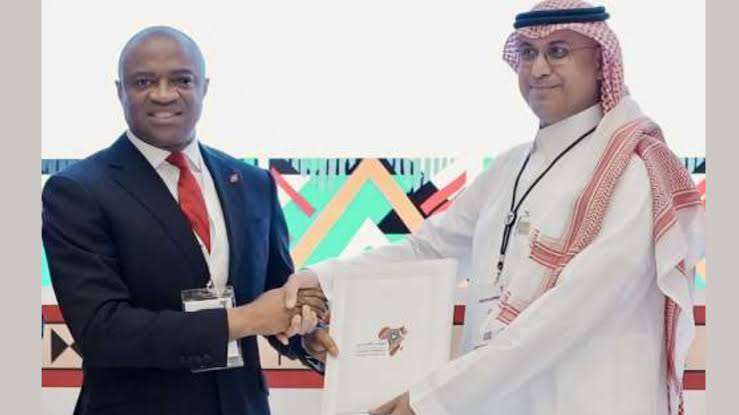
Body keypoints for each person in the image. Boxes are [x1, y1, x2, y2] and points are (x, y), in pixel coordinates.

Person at [283, 2, 705, 414]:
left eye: (558, 51)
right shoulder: (509, 167)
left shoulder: (633, 172)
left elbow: (569, 313)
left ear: (600, 63)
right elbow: (428, 250)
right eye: (528, 53)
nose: (538, 69)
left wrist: (434, 399)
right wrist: (322, 279)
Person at [42, 26, 330, 415]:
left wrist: (304, 335)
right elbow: (103, 330)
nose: (164, 94)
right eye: (144, 82)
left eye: (181, 80)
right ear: (119, 91)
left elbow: (276, 295)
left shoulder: (253, 183)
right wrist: (244, 320)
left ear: (204, 87)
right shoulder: (78, 191)